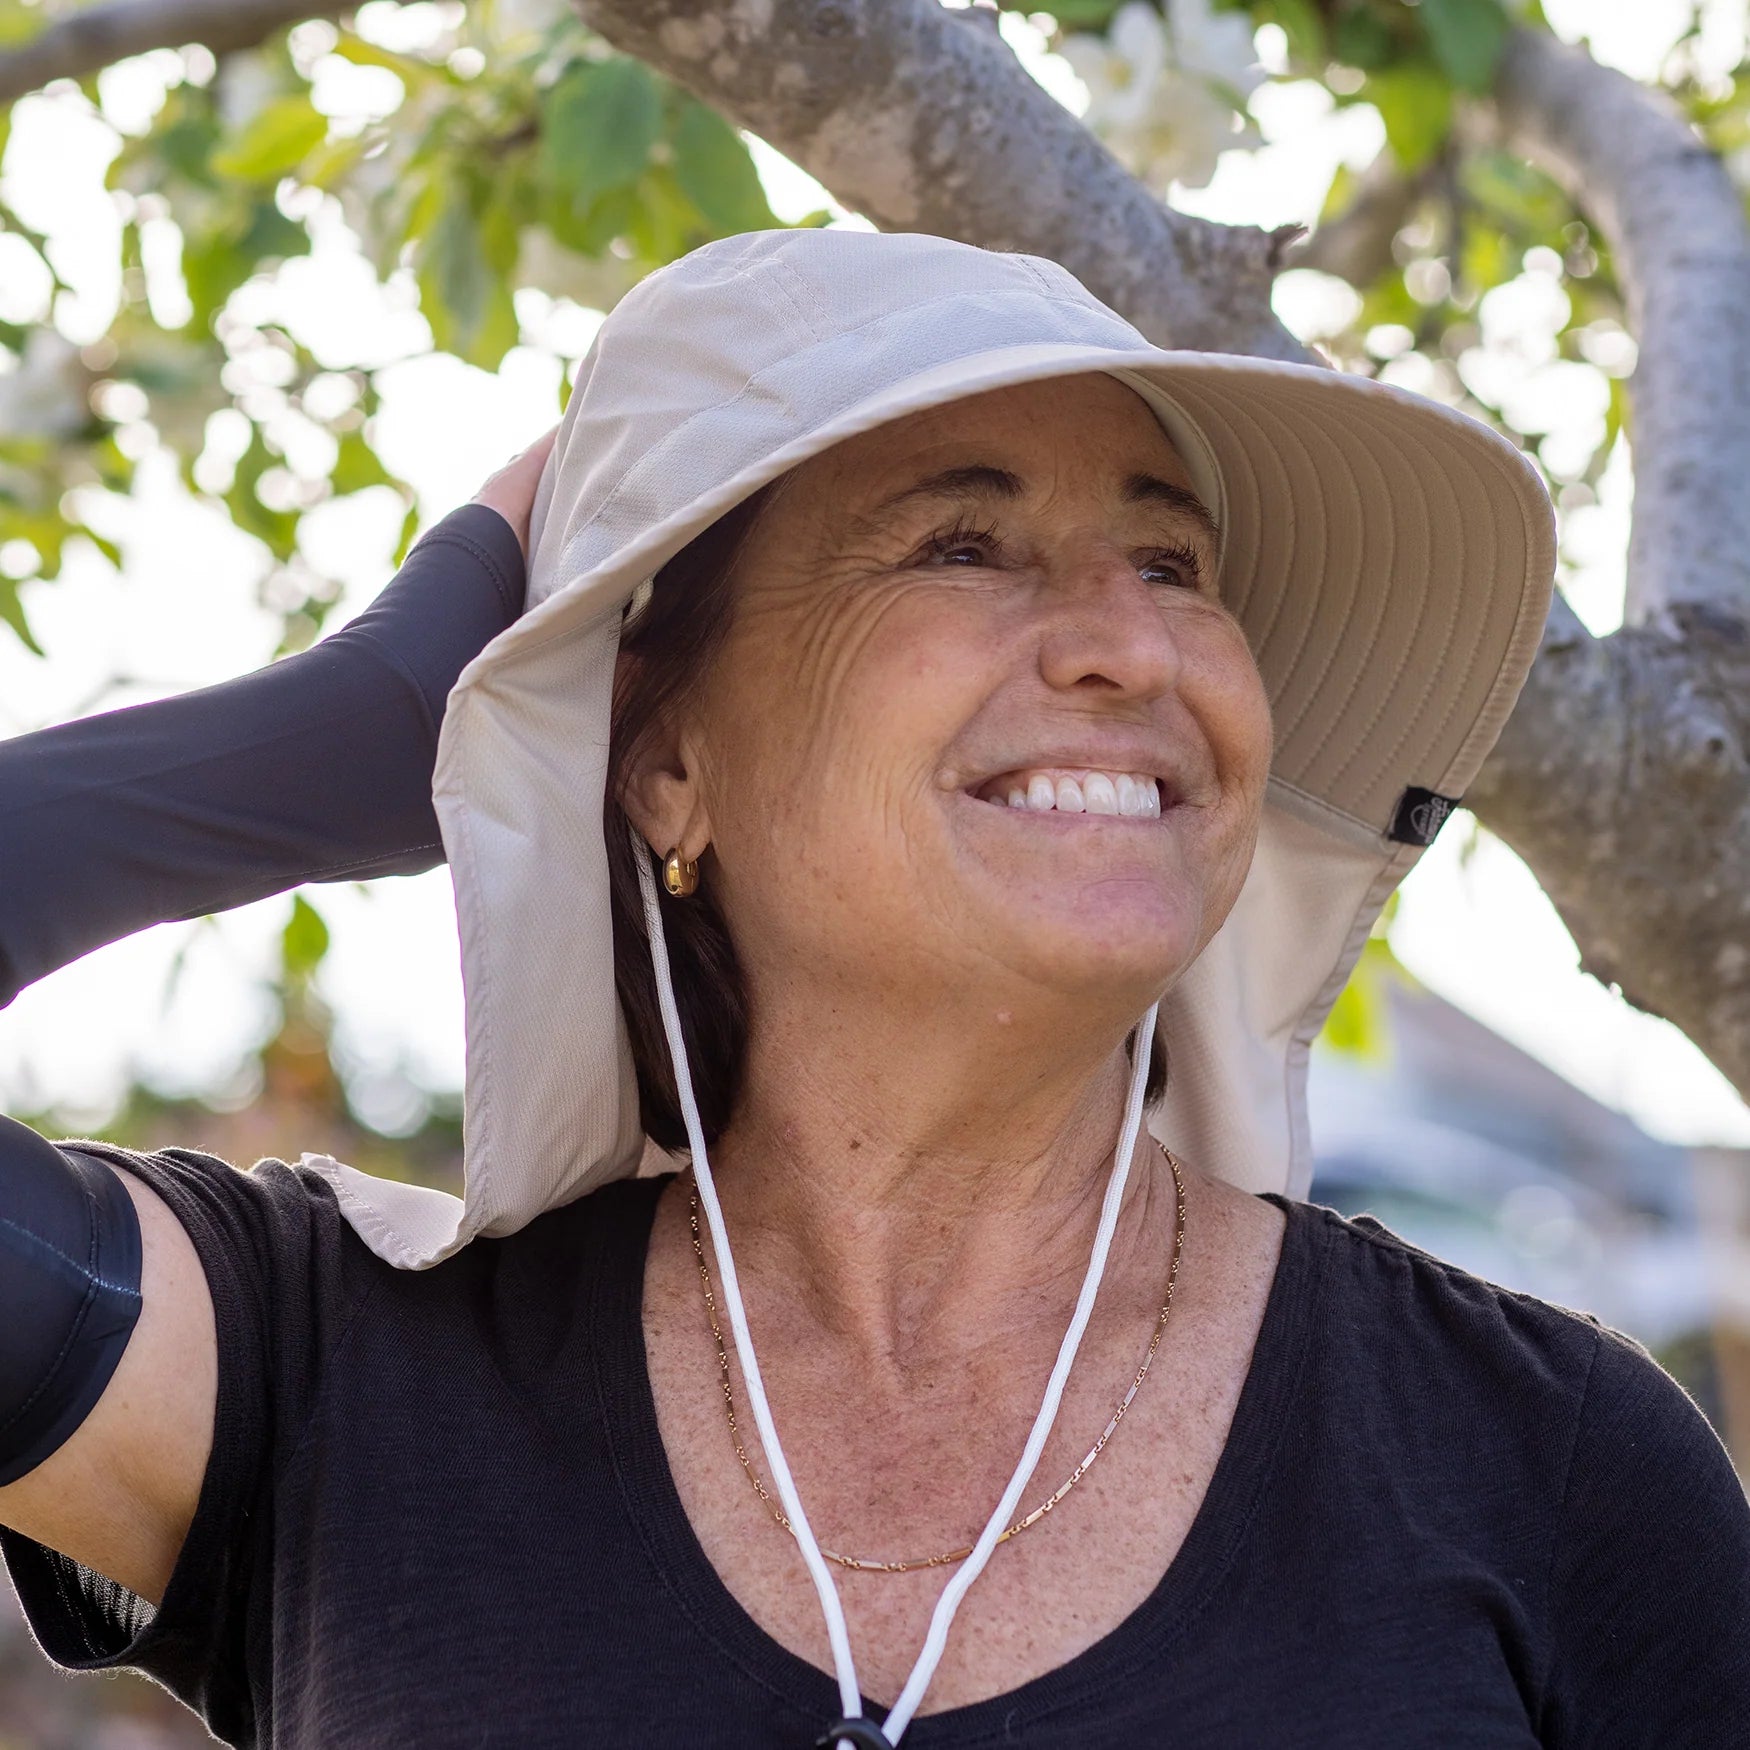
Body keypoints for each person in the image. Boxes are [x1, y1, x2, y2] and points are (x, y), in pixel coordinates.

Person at [2, 229, 1747, 1749]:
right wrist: (353, 728)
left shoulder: (1554, 1461)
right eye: (959, 548)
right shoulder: (316, 1371)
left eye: (1171, 564)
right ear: (662, 761)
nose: (1127, 646)